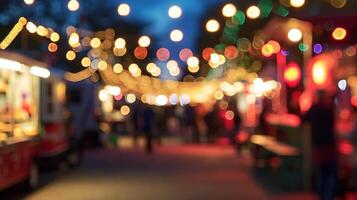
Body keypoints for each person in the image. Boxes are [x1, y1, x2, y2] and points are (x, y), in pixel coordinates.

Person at [304, 90, 338, 200]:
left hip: (318, 145)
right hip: (329, 145)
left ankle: (322, 195)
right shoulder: (328, 110)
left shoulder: (313, 109)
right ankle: (329, 196)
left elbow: (303, 120)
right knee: (330, 174)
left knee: (322, 173)